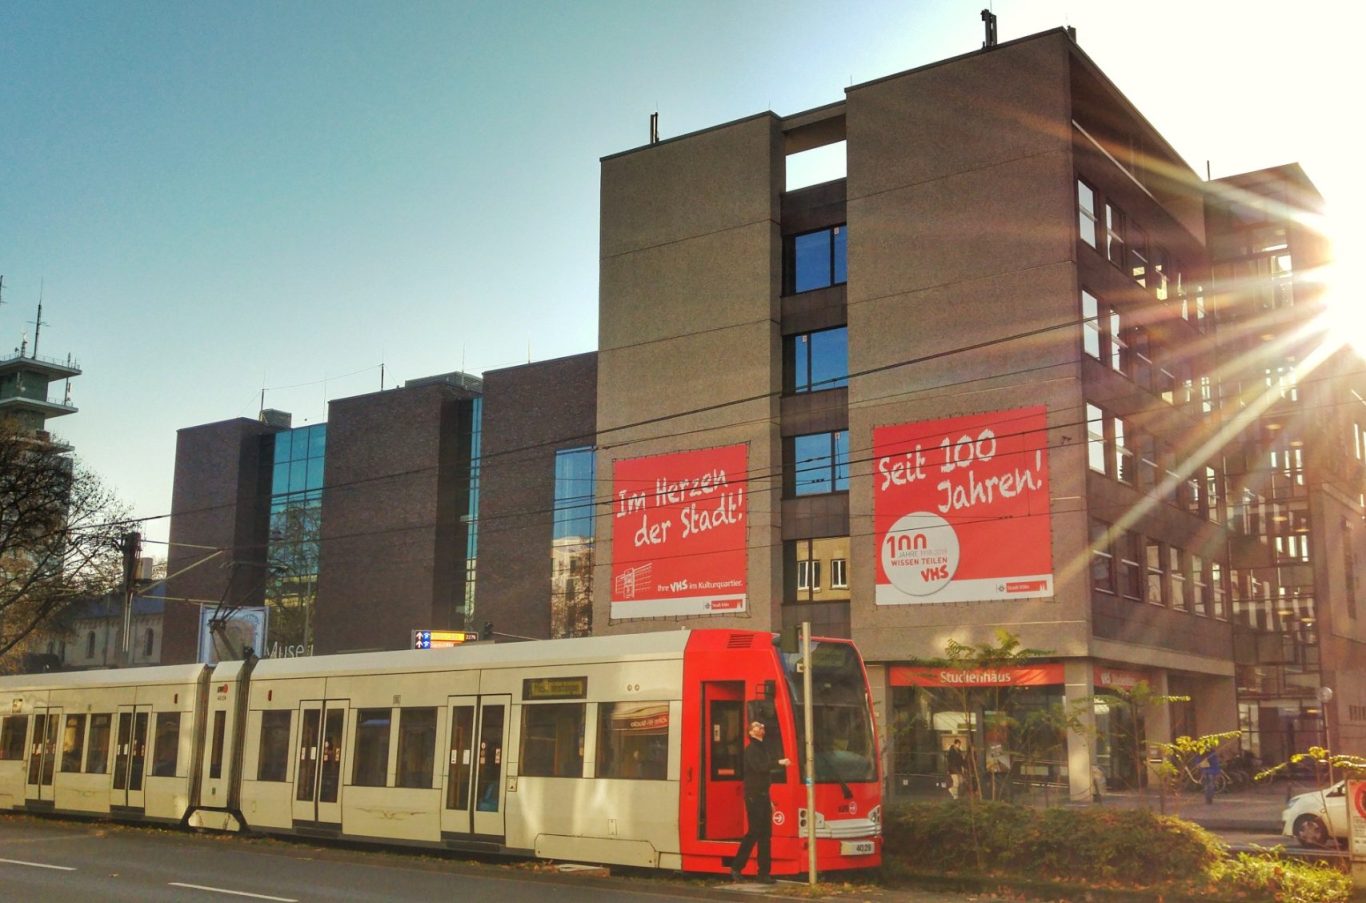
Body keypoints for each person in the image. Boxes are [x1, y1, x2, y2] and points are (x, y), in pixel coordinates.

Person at [729, 720, 790, 884]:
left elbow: (764, 772)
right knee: (754, 832)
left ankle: (763, 873)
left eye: (761, 726)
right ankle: (736, 867)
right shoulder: (751, 750)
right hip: (754, 795)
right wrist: (779, 762)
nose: (760, 727)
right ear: (750, 732)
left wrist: (768, 799)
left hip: (762, 795)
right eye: (756, 726)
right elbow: (760, 768)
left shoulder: (763, 748)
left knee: (765, 835)